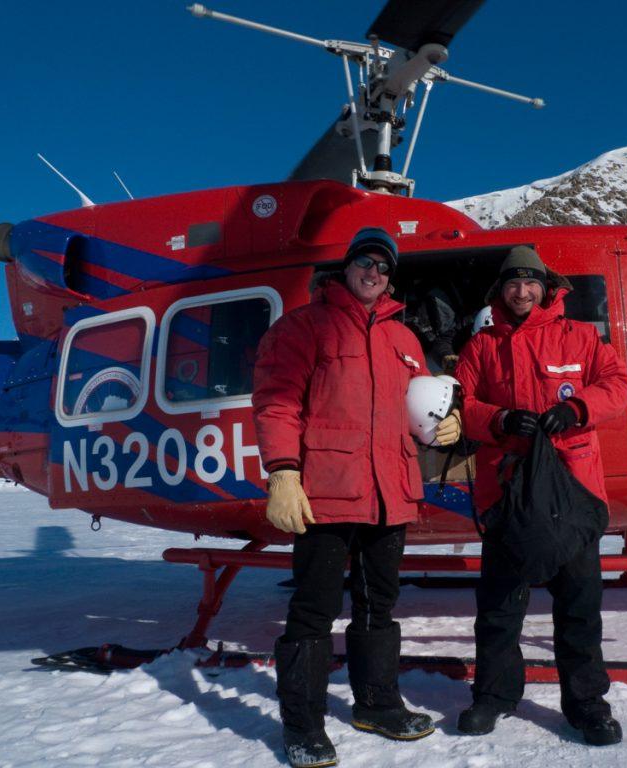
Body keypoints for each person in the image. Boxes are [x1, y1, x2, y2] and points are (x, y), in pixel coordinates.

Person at [252, 227, 461, 768]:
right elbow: (276, 404)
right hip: (325, 492)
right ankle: (302, 726)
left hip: (389, 491)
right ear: (347, 267)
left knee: (379, 606)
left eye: (384, 267)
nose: (374, 273)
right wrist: (282, 472)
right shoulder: (303, 326)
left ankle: (377, 705)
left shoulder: (405, 339)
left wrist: (441, 425)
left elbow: (420, 404)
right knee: (312, 611)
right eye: (365, 262)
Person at [453, 246, 627, 746]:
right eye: (513, 283)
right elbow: (459, 403)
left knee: (579, 603)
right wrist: (498, 419)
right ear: (500, 291)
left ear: (546, 287)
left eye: (530, 282)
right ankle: (493, 696)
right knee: (499, 606)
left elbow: (618, 384)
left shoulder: (580, 336)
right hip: (508, 492)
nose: (522, 291)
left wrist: (578, 409)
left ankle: (586, 703)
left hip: (571, 493)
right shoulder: (481, 347)